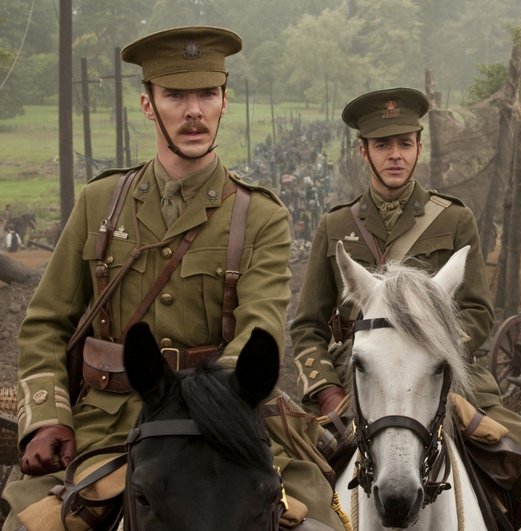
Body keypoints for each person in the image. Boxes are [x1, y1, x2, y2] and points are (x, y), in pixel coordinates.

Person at [2, 26, 344, 530]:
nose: (194, 111)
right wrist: (49, 418)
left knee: (320, 521)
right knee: (32, 523)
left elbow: (261, 326)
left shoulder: (260, 216)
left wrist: (217, 405)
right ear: (147, 105)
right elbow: (46, 323)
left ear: (224, 102)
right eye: (175, 96)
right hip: (107, 422)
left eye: (207, 94)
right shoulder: (101, 203)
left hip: (228, 424)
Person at [290, 87, 521, 523]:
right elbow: (307, 325)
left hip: (442, 376)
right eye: (383, 145)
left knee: (518, 449)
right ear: (363, 152)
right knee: (288, 473)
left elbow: (478, 311)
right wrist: (328, 390)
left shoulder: (453, 219)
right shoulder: (336, 225)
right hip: (356, 378)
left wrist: (431, 350)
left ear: (418, 147)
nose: (395, 155)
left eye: (405, 143)